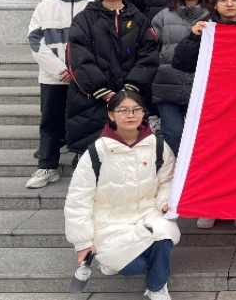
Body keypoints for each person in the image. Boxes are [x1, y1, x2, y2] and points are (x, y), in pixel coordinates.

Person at [64, 91, 180, 300]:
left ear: (143, 113)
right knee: (134, 267)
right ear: (111, 114)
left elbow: (167, 181)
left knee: (164, 235)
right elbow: (78, 200)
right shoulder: (96, 151)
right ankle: (117, 258)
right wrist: (83, 243)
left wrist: (164, 202)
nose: (130, 115)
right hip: (109, 221)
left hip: (147, 212)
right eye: (123, 110)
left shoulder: (158, 146)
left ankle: (157, 286)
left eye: (136, 110)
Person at [172, 0, 236, 230]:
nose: (229, 4)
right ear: (214, 5)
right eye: (223, 0)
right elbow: (181, 63)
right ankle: (208, 207)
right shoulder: (206, 29)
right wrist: (193, 37)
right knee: (212, 156)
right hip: (214, 103)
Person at [66, 0, 160, 160]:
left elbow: (149, 56)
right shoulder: (84, 19)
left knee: (128, 154)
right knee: (92, 156)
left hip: (131, 99)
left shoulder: (139, 19)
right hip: (92, 99)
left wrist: (130, 90)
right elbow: (78, 58)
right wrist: (103, 91)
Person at [25, 0, 98, 189]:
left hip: (87, 77)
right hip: (53, 77)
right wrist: (60, 69)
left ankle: (85, 166)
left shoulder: (98, 6)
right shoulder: (45, 7)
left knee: (88, 121)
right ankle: (47, 166)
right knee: (51, 121)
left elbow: (103, 43)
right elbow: (35, 41)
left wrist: (80, 70)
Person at [149, 0, 209, 155]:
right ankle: (172, 171)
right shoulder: (163, 16)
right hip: (167, 85)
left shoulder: (212, 15)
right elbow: (149, 48)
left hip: (201, 88)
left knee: (199, 137)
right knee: (173, 134)